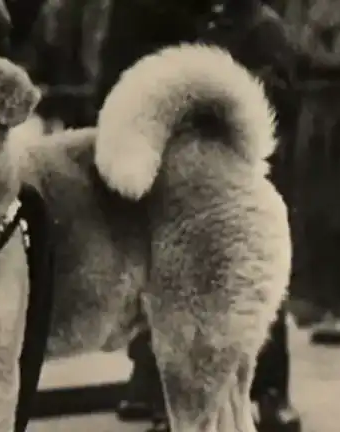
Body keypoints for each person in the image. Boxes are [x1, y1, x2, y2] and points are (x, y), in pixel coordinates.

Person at [96, 1, 301, 431]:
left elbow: (277, 104)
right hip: (175, 182)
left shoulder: (259, 26)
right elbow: (120, 81)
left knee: (245, 295)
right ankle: (164, 396)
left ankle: (269, 389)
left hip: (236, 178)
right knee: (170, 295)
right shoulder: (159, 19)